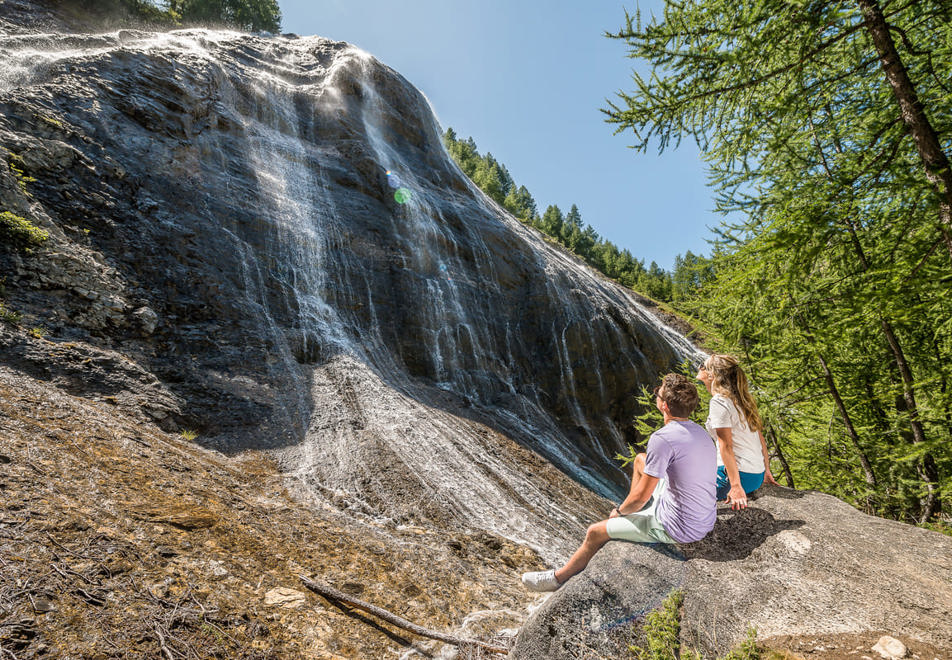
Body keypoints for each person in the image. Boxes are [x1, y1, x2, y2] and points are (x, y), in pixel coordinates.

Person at [521, 373, 716, 592]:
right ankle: (635, 512)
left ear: (665, 406)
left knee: (595, 532)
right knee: (641, 460)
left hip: (678, 528)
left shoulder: (662, 439)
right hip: (705, 519)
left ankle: (558, 579)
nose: (656, 395)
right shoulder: (700, 432)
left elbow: (642, 496)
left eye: (658, 393)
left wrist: (620, 512)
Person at [696, 354, 778, 511]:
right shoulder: (742, 399)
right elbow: (760, 439)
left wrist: (735, 487)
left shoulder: (719, 401)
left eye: (703, 366)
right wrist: (766, 471)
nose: (700, 368)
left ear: (712, 375)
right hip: (755, 475)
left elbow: (726, 446)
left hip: (735, 477)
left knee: (678, 488)